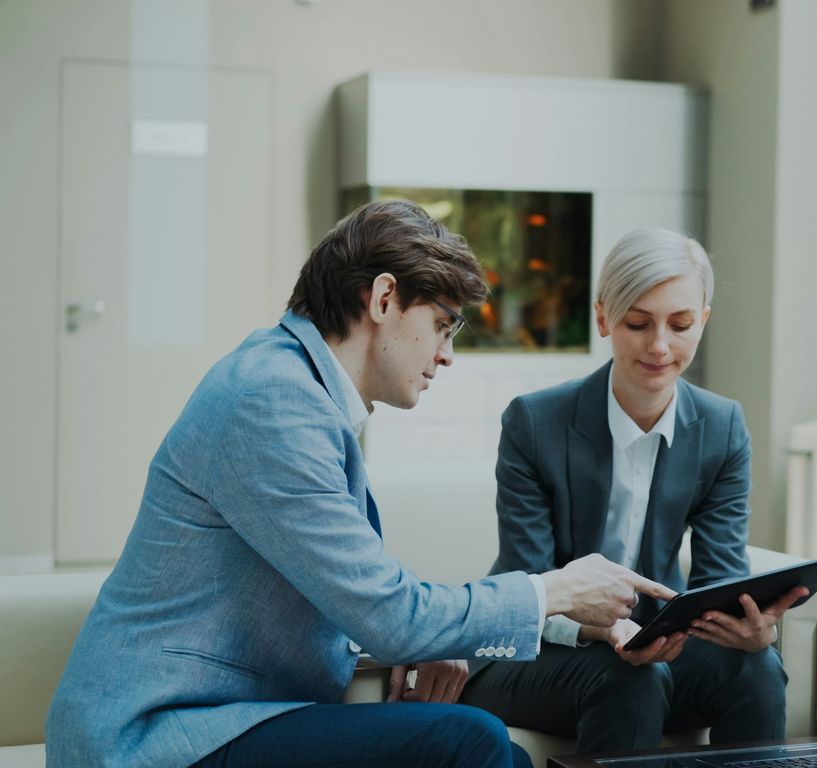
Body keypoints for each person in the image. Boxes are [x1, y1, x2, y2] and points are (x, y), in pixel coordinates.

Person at [45, 200, 673, 768]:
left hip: (217, 717)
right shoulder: (272, 401)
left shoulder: (293, 386)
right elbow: (388, 611)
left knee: (497, 752)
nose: (447, 354)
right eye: (443, 323)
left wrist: (417, 637)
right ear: (382, 299)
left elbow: (347, 591)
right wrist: (553, 590)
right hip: (156, 737)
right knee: (469, 741)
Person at [460, 228, 805, 753]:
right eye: (638, 323)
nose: (660, 346)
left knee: (756, 668)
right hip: (536, 647)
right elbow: (530, 576)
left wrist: (748, 627)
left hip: (656, 641)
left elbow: (719, 577)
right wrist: (606, 631)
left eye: (681, 324)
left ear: (703, 321)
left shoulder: (722, 428)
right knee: (631, 679)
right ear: (603, 318)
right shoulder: (535, 422)